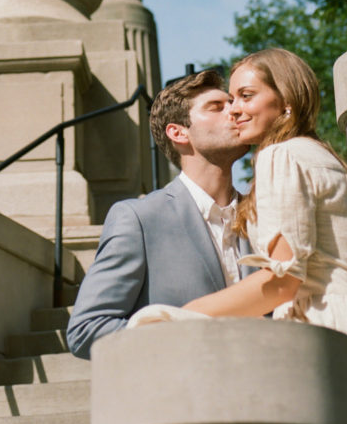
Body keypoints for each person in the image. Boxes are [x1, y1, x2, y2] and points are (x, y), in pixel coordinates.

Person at [129, 48, 347, 363]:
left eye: (246, 96)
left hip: (318, 332)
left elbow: (282, 281)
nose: (234, 110)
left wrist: (180, 316)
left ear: (286, 102)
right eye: (231, 100)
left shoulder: (280, 156)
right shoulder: (325, 158)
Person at [66, 70, 252, 359]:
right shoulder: (139, 219)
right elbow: (86, 329)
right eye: (217, 106)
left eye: (233, 102)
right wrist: (171, 329)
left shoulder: (264, 214)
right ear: (179, 133)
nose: (236, 110)